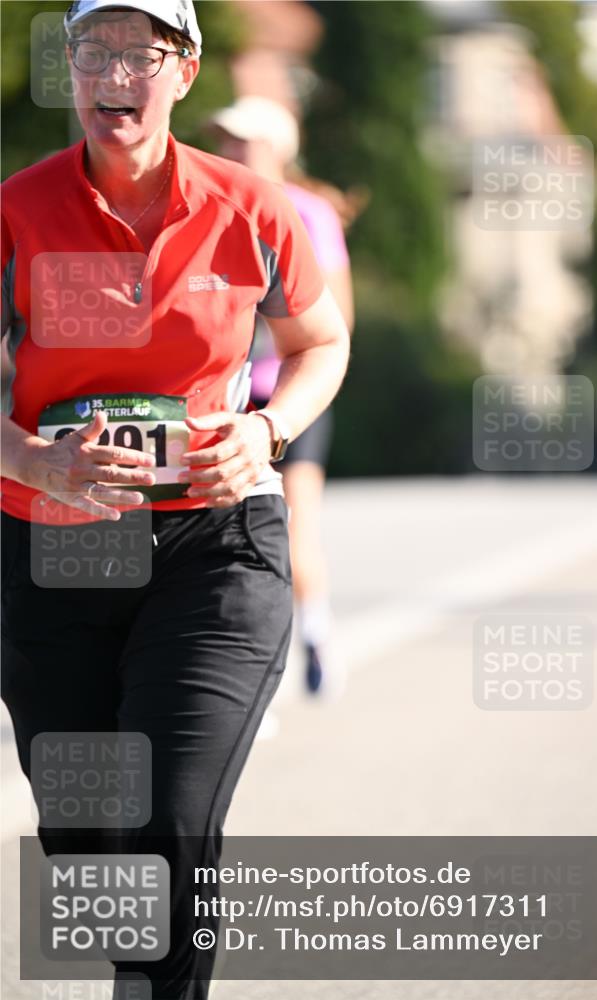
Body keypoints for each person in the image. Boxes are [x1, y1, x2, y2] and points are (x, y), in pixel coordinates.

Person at [0, 3, 349, 999]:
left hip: (213, 546)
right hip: (54, 551)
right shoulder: (16, 210)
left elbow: (321, 343)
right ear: (70, 65)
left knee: (172, 817)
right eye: (92, 51)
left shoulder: (254, 208)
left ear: (184, 70)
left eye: (140, 53)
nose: (114, 74)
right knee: (87, 846)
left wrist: (267, 430)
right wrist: (36, 461)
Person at [208, 96, 354, 696]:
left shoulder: (310, 214)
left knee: (291, 526)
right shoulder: (214, 207)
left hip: (290, 398)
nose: (228, 150)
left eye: (241, 140)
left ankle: (314, 634)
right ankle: (241, 671)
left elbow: (337, 320)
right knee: (223, 537)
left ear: (275, 149)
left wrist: (270, 322)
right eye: (224, 139)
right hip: (228, 398)